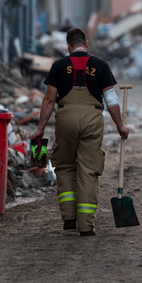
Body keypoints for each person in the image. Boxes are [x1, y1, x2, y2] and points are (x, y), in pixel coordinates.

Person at [32, 28, 129, 236]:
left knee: (65, 166)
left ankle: (69, 217)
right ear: (86, 43)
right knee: (88, 170)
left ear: (68, 46)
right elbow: (111, 100)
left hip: (65, 119)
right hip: (92, 120)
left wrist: (40, 129)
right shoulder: (101, 66)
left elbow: (49, 100)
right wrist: (120, 125)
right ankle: (86, 225)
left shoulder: (58, 66)